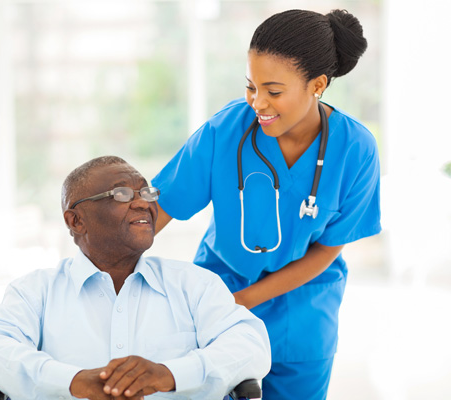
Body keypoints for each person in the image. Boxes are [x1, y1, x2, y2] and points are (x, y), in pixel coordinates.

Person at [151, 9, 380, 400]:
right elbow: (157, 211)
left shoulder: (355, 150)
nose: (258, 103)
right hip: (218, 302)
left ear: (318, 85)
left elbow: (327, 250)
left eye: (273, 91)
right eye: (250, 86)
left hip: (302, 313)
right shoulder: (225, 132)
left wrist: (245, 301)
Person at [0, 156, 271, 400]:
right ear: (76, 220)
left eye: (146, 192)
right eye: (122, 193)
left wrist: (169, 374)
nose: (143, 203)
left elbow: (249, 345)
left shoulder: (193, 284)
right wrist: (74, 382)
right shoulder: (35, 291)